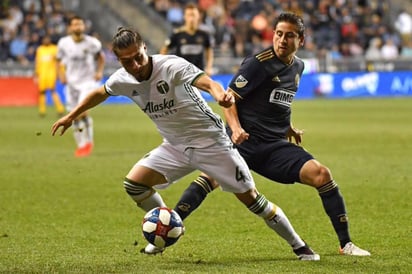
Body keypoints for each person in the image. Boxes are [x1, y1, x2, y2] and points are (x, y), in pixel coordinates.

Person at [51, 27, 320, 261]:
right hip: (174, 146)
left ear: (146, 48)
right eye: (126, 62)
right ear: (118, 61)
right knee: (134, 183)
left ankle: (300, 246)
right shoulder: (122, 79)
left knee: (253, 200)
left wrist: (220, 95)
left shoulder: (170, 65)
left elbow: (207, 82)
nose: (135, 65)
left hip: (211, 143)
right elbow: (100, 92)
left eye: (138, 57)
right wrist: (71, 115)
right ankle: (166, 226)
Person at [157, 12, 371, 257]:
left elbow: (281, 100)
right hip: (243, 143)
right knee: (209, 178)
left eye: (289, 36)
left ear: (301, 40)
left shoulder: (298, 67)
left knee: (321, 175)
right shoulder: (258, 63)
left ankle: (346, 244)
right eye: (278, 34)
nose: (281, 40)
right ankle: (164, 232)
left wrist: (288, 126)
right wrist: (236, 129)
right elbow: (228, 99)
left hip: (274, 146)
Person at [56, 15, 105, 157]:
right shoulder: (63, 43)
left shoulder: (92, 43)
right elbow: (58, 60)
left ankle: (87, 143)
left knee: (81, 112)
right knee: (72, 116)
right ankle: (82, 145)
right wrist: (61, 75)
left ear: (84, 26)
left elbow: (100, 57)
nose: (78, 27)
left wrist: (99, 72)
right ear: (70, 27)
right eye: (75, 24)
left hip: (88, 82)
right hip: (71, 84)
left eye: (80, 24)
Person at [160, 3, 214, 75]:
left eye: (193, 15)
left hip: (199, 74)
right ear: (184, 17)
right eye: (189, 15)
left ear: (198, 16)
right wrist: (165, 66)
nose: (191, 18)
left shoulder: (204, 34)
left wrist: (209, 67)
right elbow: (164, 50)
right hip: (181, 74)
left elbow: (209, 50)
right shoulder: (177, 34)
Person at [34, 35, 65, 117]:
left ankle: (60, 109)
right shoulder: (40, 49)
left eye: (47, 39)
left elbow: (59, 62)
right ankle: (42, 111)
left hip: (51, 73)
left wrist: (60, 73)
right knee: (42, 92)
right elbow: (37, 62)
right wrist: (36, 74)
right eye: (45, 39)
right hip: (42, 74)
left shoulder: (54, 49)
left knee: (53, 91)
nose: (46, 40)